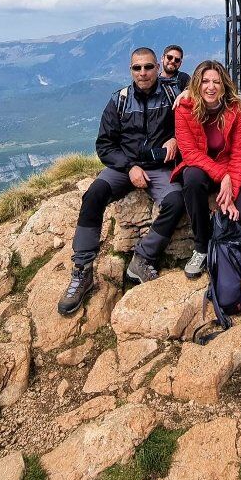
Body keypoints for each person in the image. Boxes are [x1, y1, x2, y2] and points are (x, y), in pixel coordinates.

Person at [58, 47, 186, 315]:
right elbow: (105, 145)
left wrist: (176, 138)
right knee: (93, 195)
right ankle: (82, 270)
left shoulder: (172, 96)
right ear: (130, 70)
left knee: (176, 200)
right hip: (125, 167)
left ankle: (143, 256)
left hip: (159, 167)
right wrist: (129, 168)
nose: (143, 73)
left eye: (148, 67)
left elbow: (188, 125)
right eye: (137, 68)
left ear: (157, 67)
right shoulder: (119, 101)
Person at [174, 59, 241, 321]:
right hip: (209, 169)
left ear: (224, 85)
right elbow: (190, 153)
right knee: (192, 179)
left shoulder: (236, 109)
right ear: (197, 85)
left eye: (216, 82)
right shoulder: (184, 108)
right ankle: (201, 246)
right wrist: (223, 178)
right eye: (205, 81)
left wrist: (232, 185)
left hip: (238, 168)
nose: (210, 87)